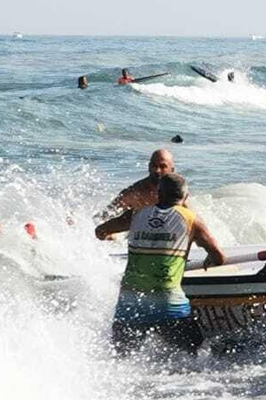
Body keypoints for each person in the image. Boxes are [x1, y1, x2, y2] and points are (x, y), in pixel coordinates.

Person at [100, 173, 224, 354]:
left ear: (158, 193)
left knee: (120, 359)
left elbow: (100, 231)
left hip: (130, 303)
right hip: (169, 305)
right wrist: (208, 259)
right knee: (195, 356)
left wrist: (113, 235)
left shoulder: (136, 214)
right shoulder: (192, 219)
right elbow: (219, 257)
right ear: (186, 197)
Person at [96, 149, 176, 224]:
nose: (157, 170)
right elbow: (103, 216)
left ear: (172, 170)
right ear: (149, 167)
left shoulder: (177, 191)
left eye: (162, 166)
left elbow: (187, 217)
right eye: (154, 165)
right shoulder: (137, 191)